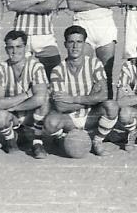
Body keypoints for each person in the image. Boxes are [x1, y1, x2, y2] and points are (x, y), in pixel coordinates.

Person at [44, 26, 119, 156]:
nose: (75, 46)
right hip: (69, 120)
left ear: (84, 44)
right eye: (71, 42)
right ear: (65, 44)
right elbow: (60, 106)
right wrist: (91, 98)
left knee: (111, 106)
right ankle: (66, 139)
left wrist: (73, 99)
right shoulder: (58, 70)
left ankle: (97, 141)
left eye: (79, 42)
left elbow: (104, 95)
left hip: (90, 116)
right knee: (50, 122)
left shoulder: (95, 64)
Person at [0, 30, 50, 159]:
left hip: (29, 115)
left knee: (44, 100)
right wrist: (25, 95)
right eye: (11, 47)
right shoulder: (0, 69)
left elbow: (39, 98)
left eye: (19, 46)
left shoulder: (36, 66)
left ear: (26, 47)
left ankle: (37, 142)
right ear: (6, 49)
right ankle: (11, 141)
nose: (14, 51)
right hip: (13, 117)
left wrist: (13, 107)